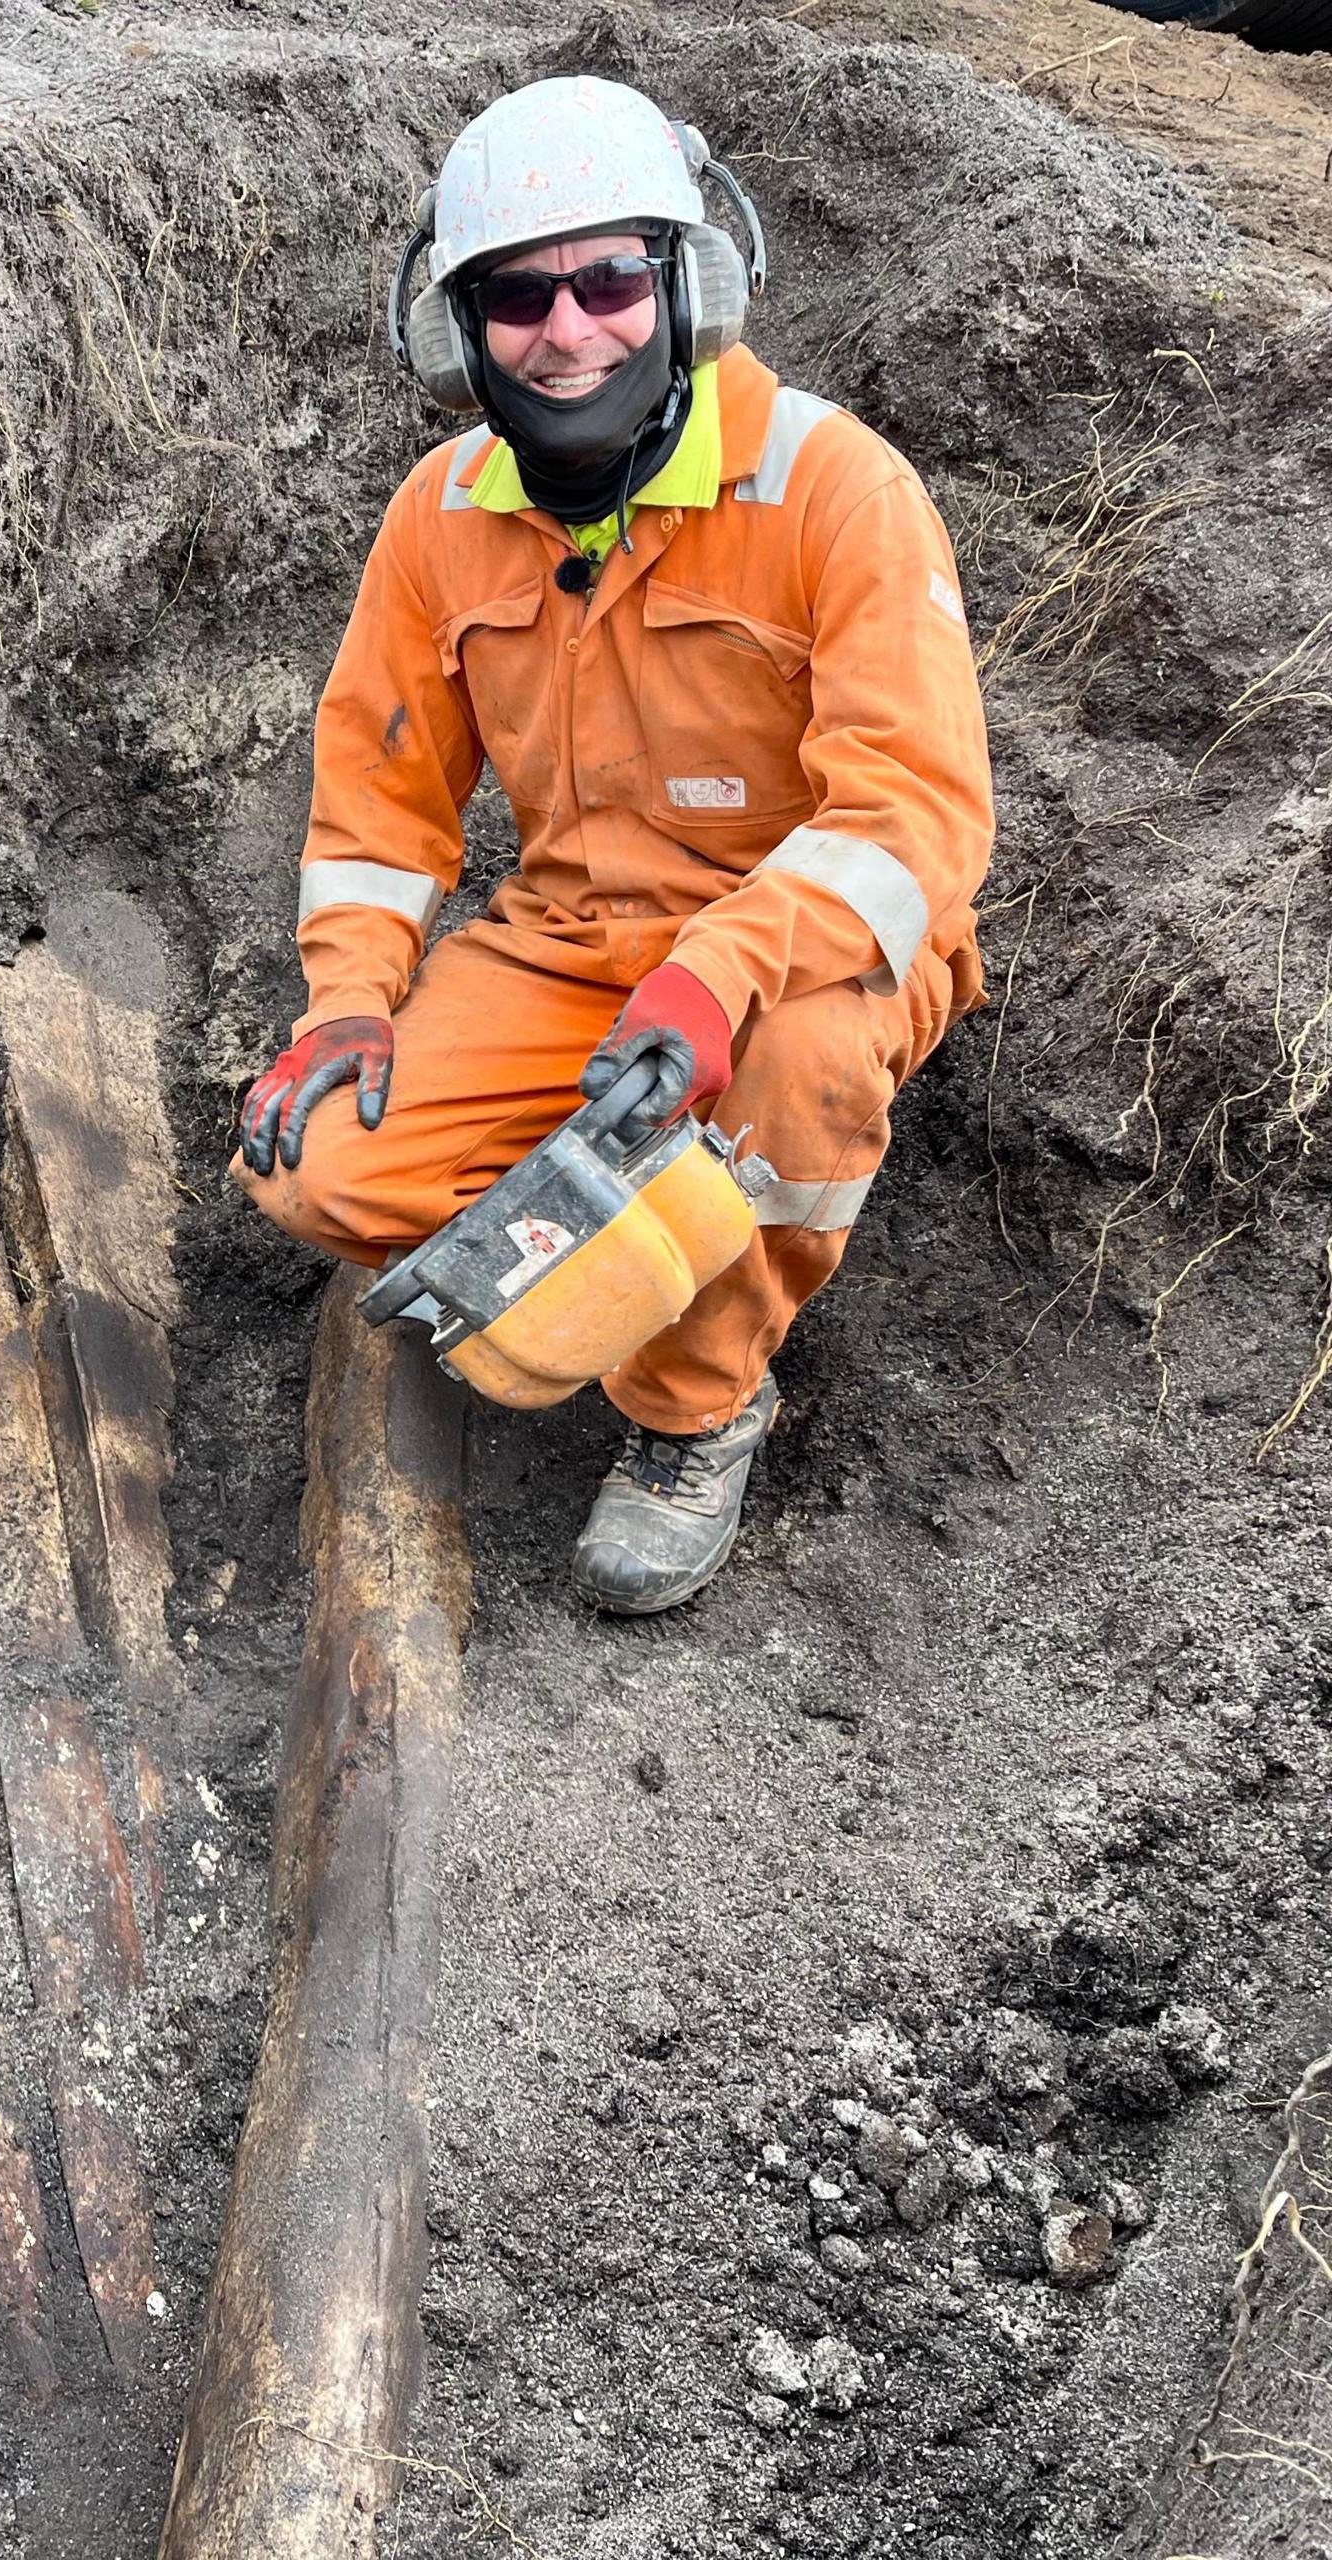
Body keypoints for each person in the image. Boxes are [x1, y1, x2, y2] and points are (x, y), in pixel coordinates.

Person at [235, 74, 993, 1615]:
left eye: (608, 279)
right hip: (577, 941)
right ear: (455, 330)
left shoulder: (835, 490)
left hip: (807, 965)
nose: (567, 328)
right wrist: (349, 1000)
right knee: (318, 1171)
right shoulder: (441, 514)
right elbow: (381, 801)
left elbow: (913, 816)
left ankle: (694, 1409)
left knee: (798, 1081)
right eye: (517, 294)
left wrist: (721, 979)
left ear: (689, 281)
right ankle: (629, 1183)